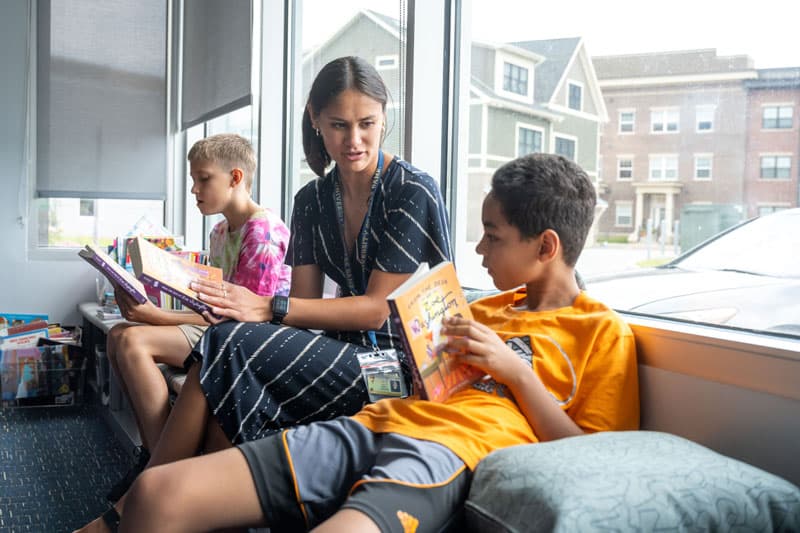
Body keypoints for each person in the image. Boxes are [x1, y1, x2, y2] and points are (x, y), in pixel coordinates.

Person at [112, 153, 640, 532]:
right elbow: (412, 379)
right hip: (378, 418)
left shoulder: (599, 331)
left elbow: (591, 457)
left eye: (493, 235)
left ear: (546, 246)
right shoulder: (481, 309)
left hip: (447, 449)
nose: (478, 248)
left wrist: (515, 371)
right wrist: (417, 359)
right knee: (154, 498)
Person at [74, 56, 453, 533]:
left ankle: (133, 509)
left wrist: (266, 308)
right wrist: (255, 313)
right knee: (225, 355)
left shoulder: (411, 189)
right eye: (338, 125)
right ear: (315, 120)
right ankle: (164, 504)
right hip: (346, 354)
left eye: (367, 124)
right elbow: (306, 309)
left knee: (227, 347)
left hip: (403, 368)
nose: (353, 140)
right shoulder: (312, 200)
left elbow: (377, 312)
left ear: (384, 117)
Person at [103, 133, 291, 501]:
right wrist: (152, 307)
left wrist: (155, 317)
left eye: (203, 179)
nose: (194, 189)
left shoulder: (263, 231)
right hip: (219, 329)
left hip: (248, 340)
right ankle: (156, 458)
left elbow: (241, 322)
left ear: (235, 178)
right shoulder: (220, 232)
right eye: (193, 180)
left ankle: (161, 471)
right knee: (116, 335)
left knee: (130, 339)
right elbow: (210, 306)